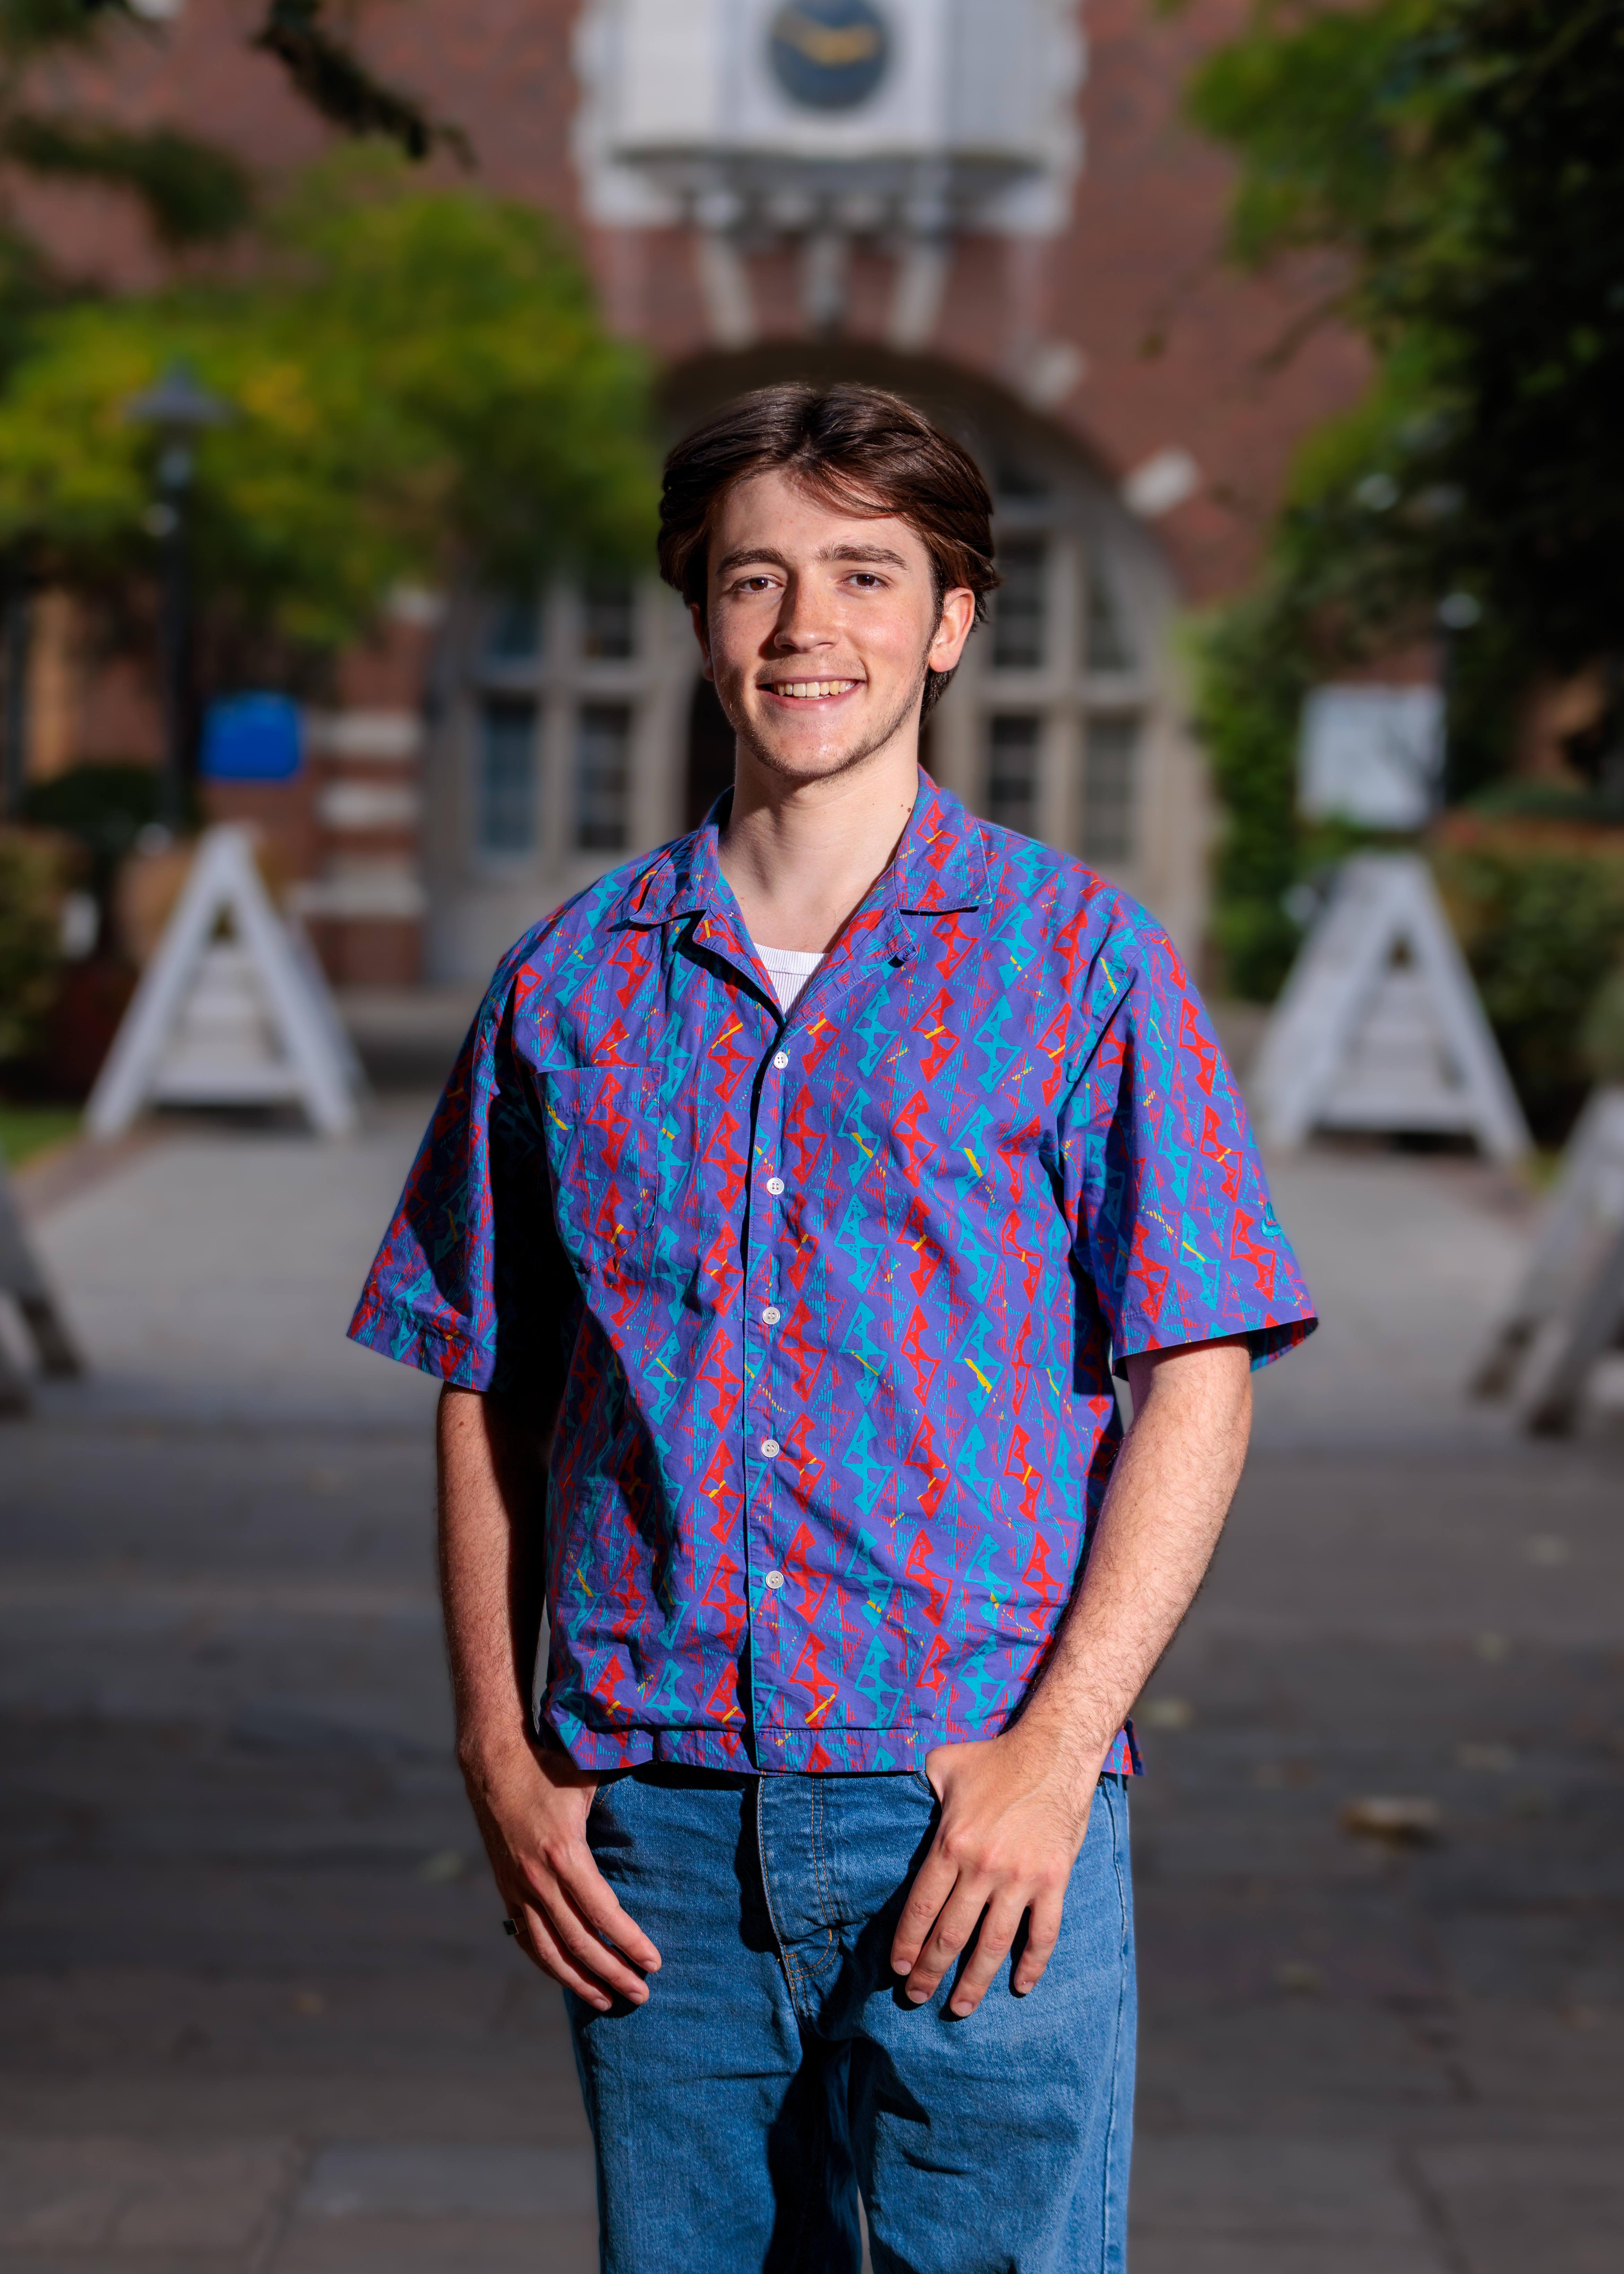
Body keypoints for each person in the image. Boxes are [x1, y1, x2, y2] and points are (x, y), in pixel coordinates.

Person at [350, 382, 1316, 2273]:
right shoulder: (566, 988)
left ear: (954, 618)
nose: (811, 631)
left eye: (868, 576)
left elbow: (1197, 1370)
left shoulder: (1085, 961)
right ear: (701, 613)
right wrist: (495, 1740)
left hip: (972, 1801)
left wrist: (1058, 1755)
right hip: (657, 1818)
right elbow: (488, 1375)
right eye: (757, 580)